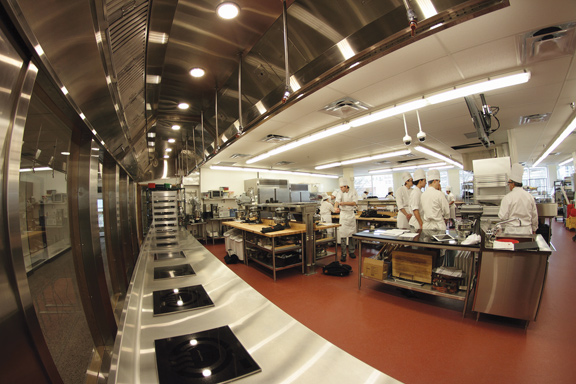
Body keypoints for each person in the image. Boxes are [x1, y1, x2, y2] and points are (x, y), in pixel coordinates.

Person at [498, 163, 538, 234]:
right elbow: (534, 215)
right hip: (526, 231)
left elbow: (502, 217)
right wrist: (534, 228)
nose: (509, 185)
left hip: (511, 231)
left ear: (512, 184)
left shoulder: (508, 197)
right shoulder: (529, 196)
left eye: (509, 183)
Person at [334, 177, 358, 262]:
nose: (340, 189)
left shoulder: (353, 192)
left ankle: (351, 252)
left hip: (351, 214)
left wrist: (344, 203)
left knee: (352, 235)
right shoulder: (340, 193)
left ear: (346, 186)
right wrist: (335, 207)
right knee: (343, 235)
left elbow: (354, 203)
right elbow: (337, 201)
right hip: (343, 215)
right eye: (340, 187)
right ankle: (343, 254)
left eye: (342, 187)